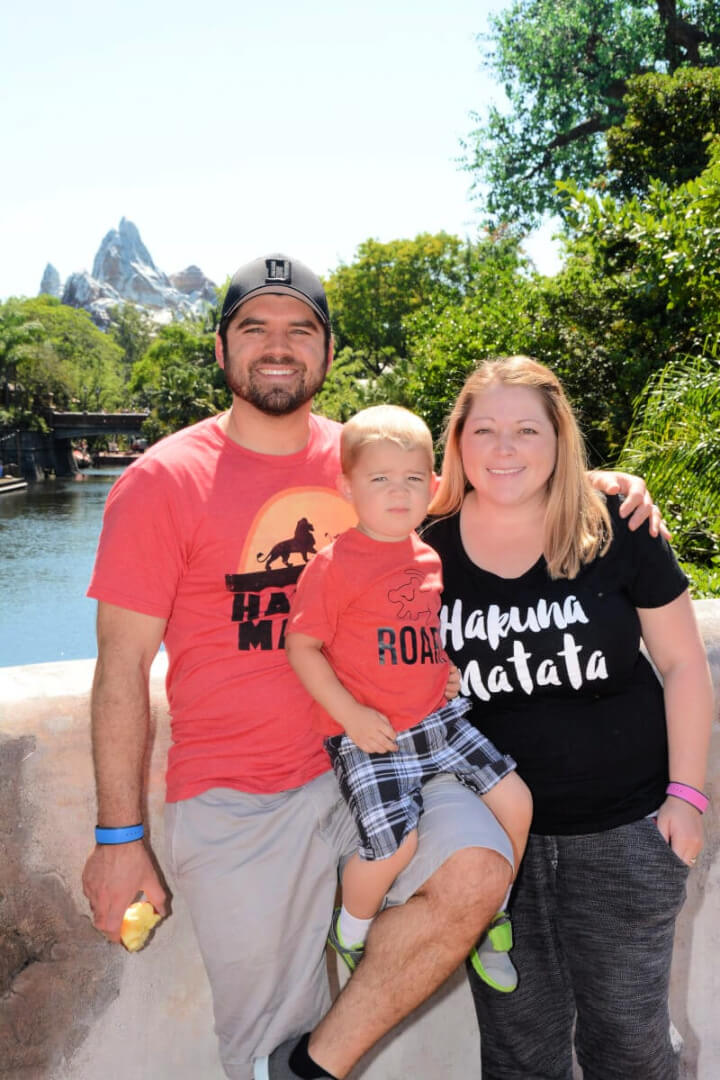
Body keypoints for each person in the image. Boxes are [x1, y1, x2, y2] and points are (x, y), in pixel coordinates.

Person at [80, 254, 660, 1080]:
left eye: (300, 330)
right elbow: (121, 667)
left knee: (479, 871)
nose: (278, 346)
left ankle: (316, 1065)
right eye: (255, 329)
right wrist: (118, 837)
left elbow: (493, 486)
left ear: (326, 350)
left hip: (389, 758)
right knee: (259, 1042)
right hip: (241, 796)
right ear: (221, 350)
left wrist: (600, 486)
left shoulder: (366, 456)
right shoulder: (161, 480)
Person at [421, 355, 713, 1080]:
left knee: (629, 1045)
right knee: (520, 1051)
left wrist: (687, 798)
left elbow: (682, 665)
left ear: (560, 438)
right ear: (456, 442)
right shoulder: (424, 547)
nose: (505, 448)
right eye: (483, 429)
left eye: (527, 429)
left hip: (625, 833)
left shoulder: (617, 524)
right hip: (492, 846)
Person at [285, 405, 532, 991]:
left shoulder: (427, 556)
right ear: (346, 486)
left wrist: (442, 670)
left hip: (437, 723)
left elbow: (417, 633)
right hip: (372, 737)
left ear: (434, 485)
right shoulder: (334, 565)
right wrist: (351, 717)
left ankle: (492, 909)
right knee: (396, 845)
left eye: (413, 479)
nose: (399, 492)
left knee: (517, 801)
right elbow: (302, 647)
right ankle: (350, 929)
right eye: (380, 479)